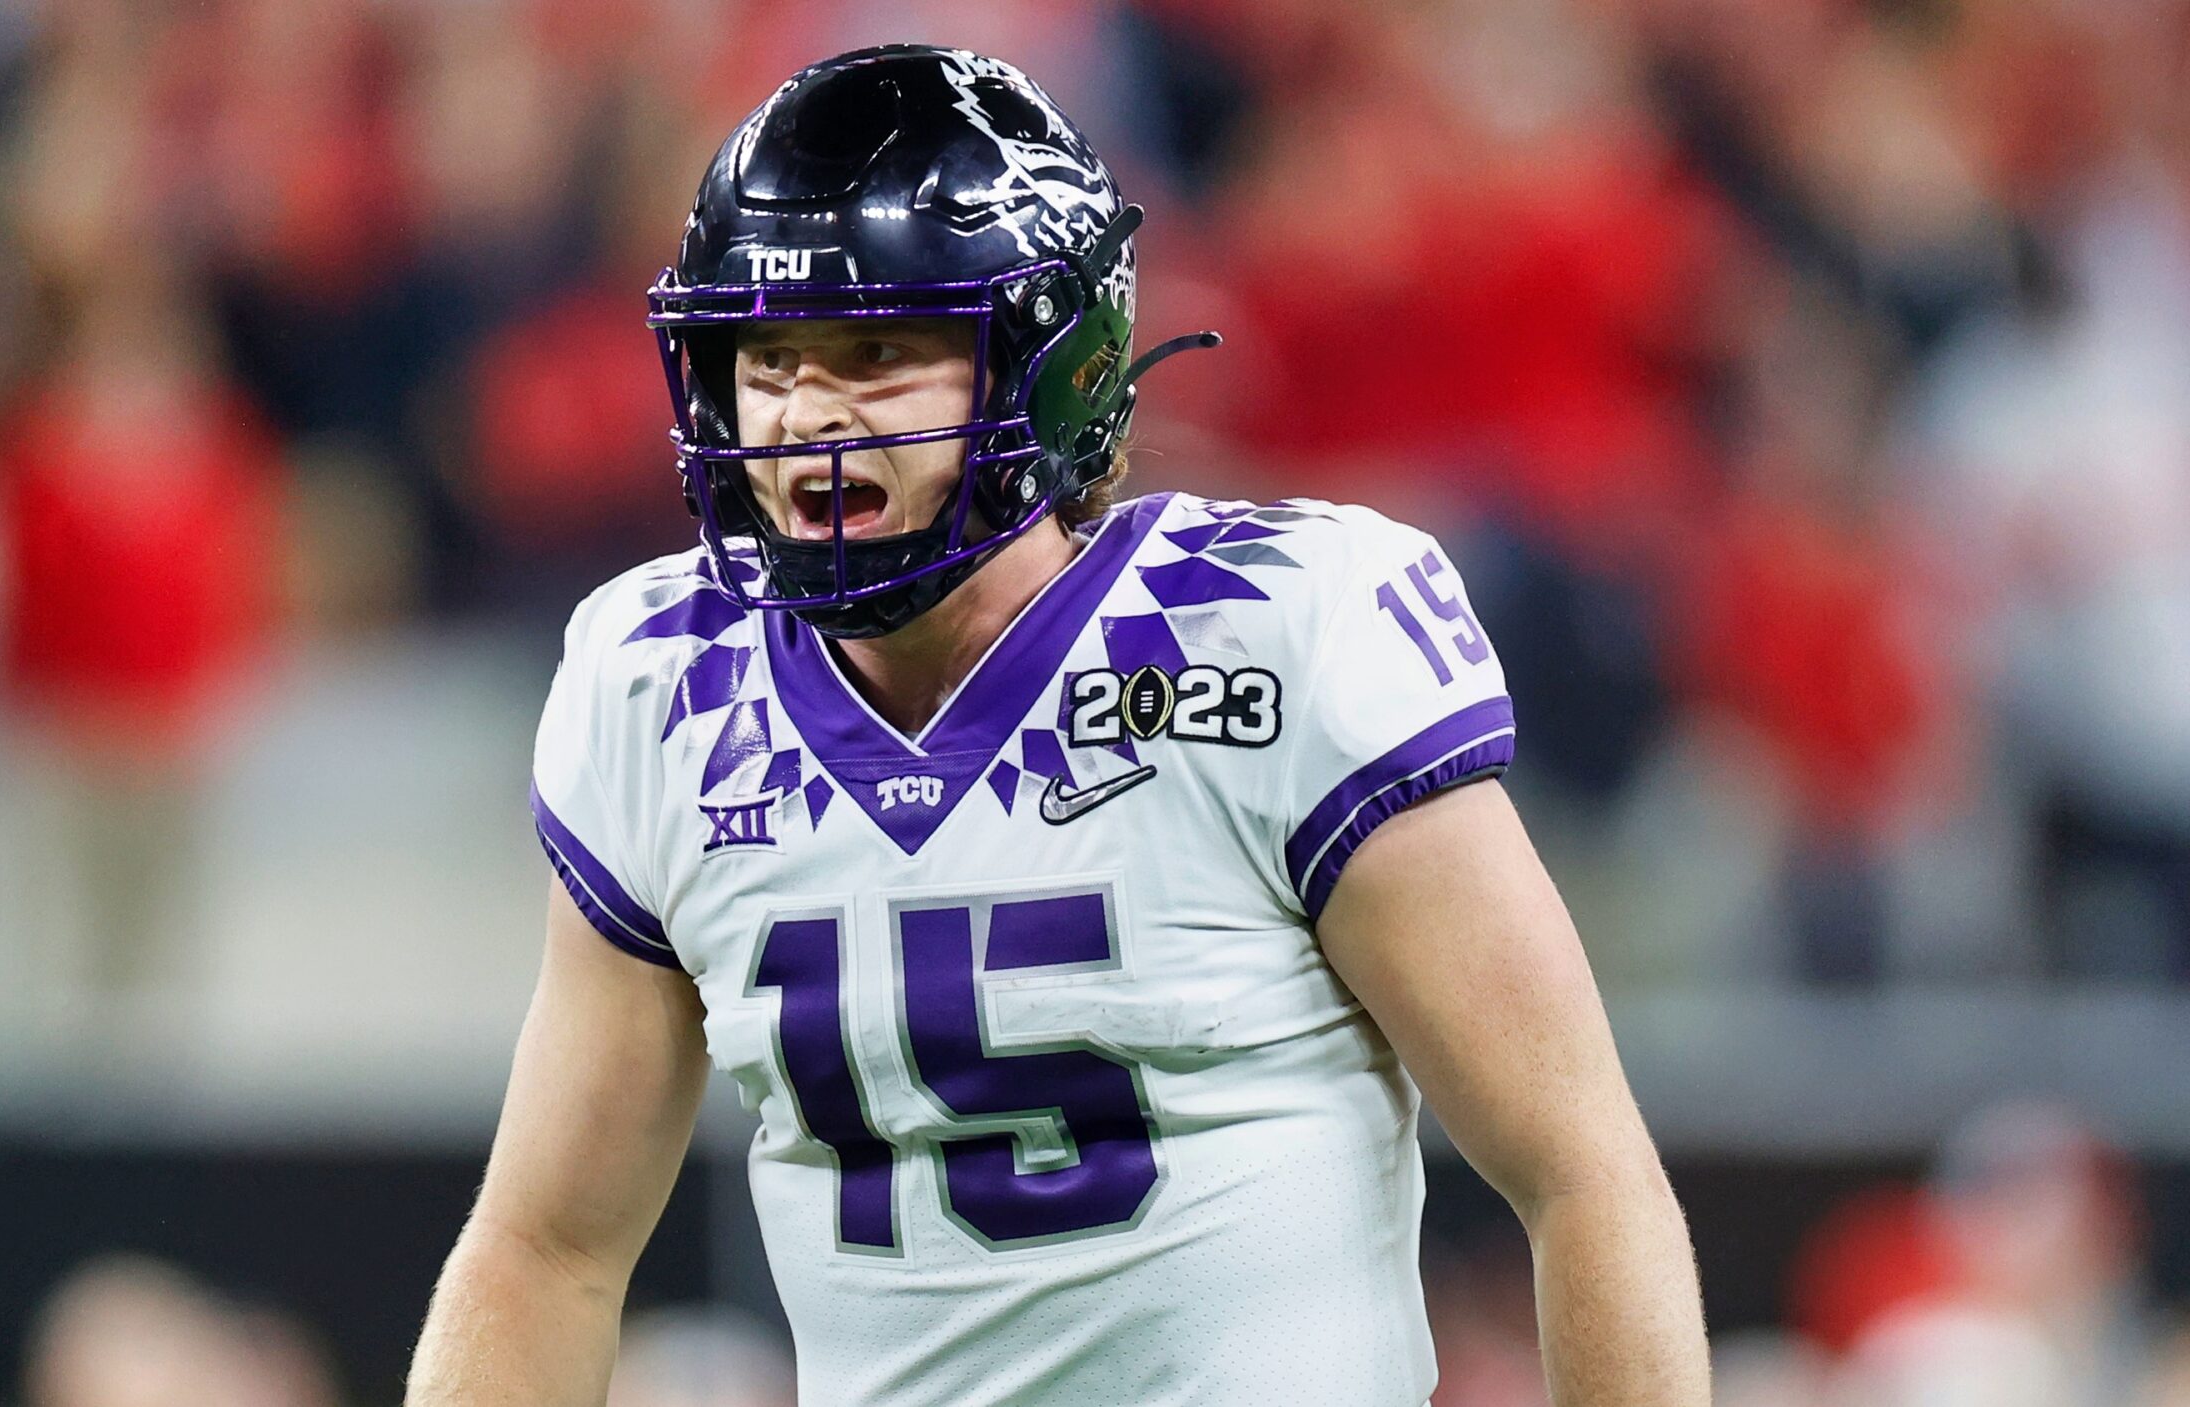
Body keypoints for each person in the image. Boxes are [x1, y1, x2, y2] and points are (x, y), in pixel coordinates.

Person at [408, 45, 1709, 1406]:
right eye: (768, 355)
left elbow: (1579, 1169)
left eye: (876, 353)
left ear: (1054, 366)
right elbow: (547, 1247)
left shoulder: (1273, 637)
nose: (803, 414)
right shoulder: (663, 688)